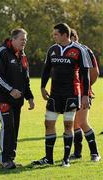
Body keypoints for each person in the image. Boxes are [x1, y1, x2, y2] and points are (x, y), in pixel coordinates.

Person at [31, 23, 90, 167]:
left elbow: (85, 74)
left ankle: (66, 159)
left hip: (72, 94)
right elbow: (46, 70)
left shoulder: (78, 50)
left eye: (56, 34)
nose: (54, 36)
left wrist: (85, 95)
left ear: (65, 35)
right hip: (54, 94)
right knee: (48, 123)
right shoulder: (52, 49)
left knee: (68, 126)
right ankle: (49, 158)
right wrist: (42, 87)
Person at [0, 28, 35, 169]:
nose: (24, 42)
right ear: (13, 39)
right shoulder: (2, 52)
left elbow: (25, 79)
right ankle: (4, 159)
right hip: (2, 98)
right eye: (22, 39)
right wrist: (10, 90)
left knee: (15, 128)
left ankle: (10, 159)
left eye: (26, 40)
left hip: (18, 100)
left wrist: (29, 97)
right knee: (8, 126)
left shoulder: (23, 56)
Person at [70, 29, 101, 161]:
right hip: (70, 92)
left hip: (82, 92)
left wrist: (86, 88)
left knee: (82, 122)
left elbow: (95, 72)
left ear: (71, 37)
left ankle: (95, 153)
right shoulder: (63, 50)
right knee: (75, 124)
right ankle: (77, 153)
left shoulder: (84, 50)